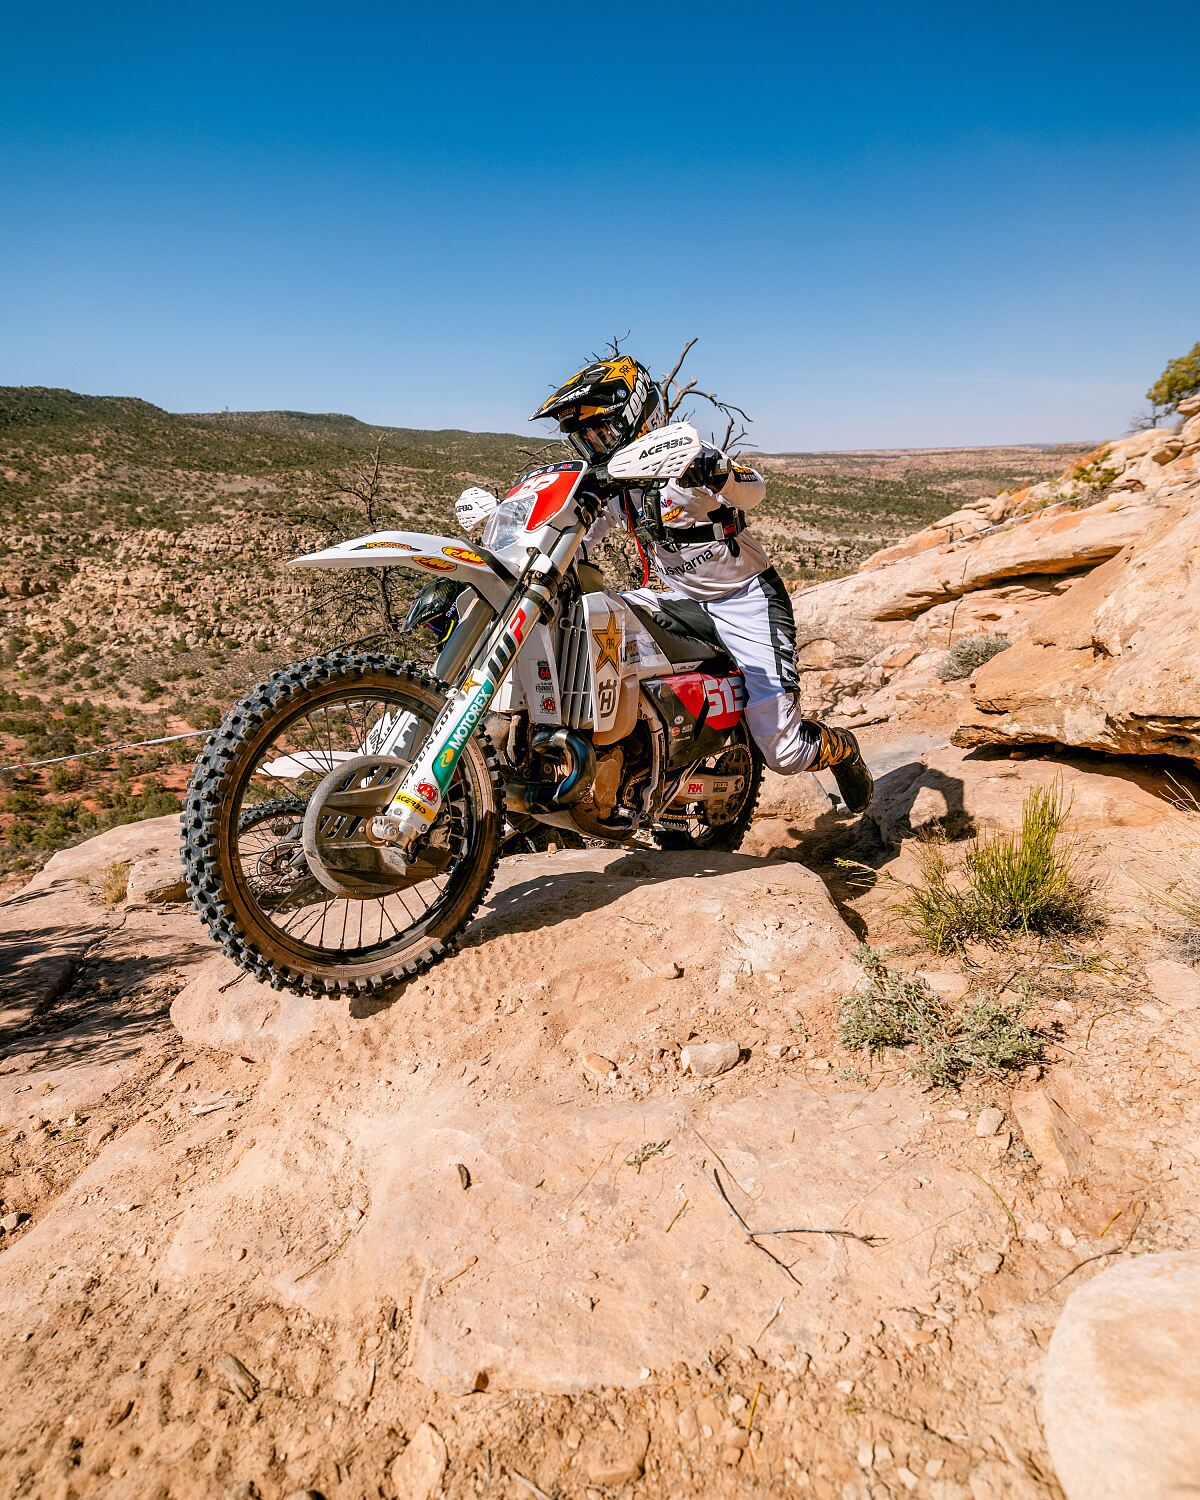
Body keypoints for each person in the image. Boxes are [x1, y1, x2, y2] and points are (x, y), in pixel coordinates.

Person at [527, 354, 874, 812]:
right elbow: (582, 538)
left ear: (637, 419)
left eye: (602, 431)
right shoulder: (616, 485)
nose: (595, 444)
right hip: (676, 599)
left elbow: (753, 489)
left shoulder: (683, 459)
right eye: (585, 437)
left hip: (745, 599)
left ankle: (841, 748)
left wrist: (718, 472)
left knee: (785, 752)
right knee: (588, 620)